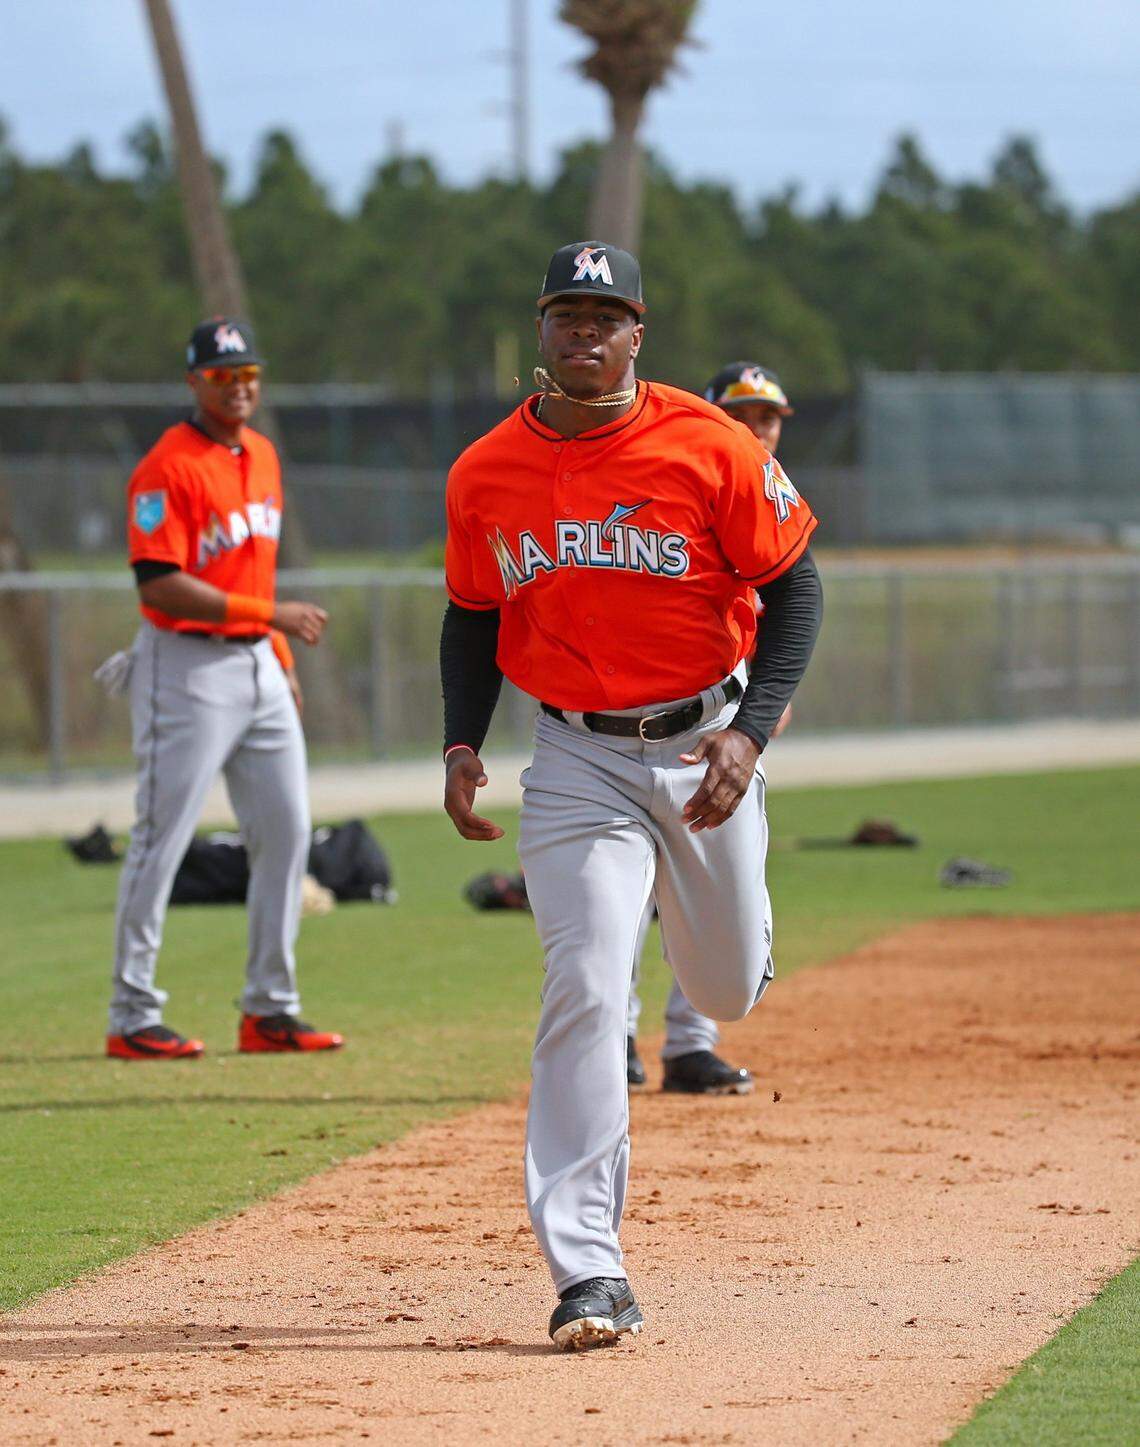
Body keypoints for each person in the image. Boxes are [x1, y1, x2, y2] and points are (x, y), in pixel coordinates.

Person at [440, 243, 822, 1350]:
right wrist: (463, 739)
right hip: (575, 757)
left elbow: (796, 584)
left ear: (638, 332)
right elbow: (472, 610)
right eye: (567, 312)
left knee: (725, 984)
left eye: (605, 315)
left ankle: (734, 943)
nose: (584, 331)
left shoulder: (707, 444)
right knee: (588, 983)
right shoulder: (486, 469)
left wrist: (749, 735)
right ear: (543, 327)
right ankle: (589, 1271)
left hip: (704, 740)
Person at [106, 317, 343, 1060]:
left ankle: (269, 1007)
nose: (237, 388)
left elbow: (253, 569)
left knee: (287, 830)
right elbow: (159, 584)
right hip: (185, 664)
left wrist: (276, 650)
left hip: (258, 664)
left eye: (247, 376)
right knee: (160, 838)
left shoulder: (263, 454)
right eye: (221, 377)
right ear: (193, 382)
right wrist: (271, 617)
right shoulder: (165, 466)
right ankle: (132, 1014)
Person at [625, 361, 798, 1093]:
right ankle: (619, 1036)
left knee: (722, 887)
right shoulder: (692, 479)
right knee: (632, 889)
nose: (757, 428)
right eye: (742, 413)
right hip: (654, 718)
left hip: (731, 721)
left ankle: (691, 1043)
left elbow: (787, 608)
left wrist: (759, 711)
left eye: (768, 415)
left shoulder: (773, 498)